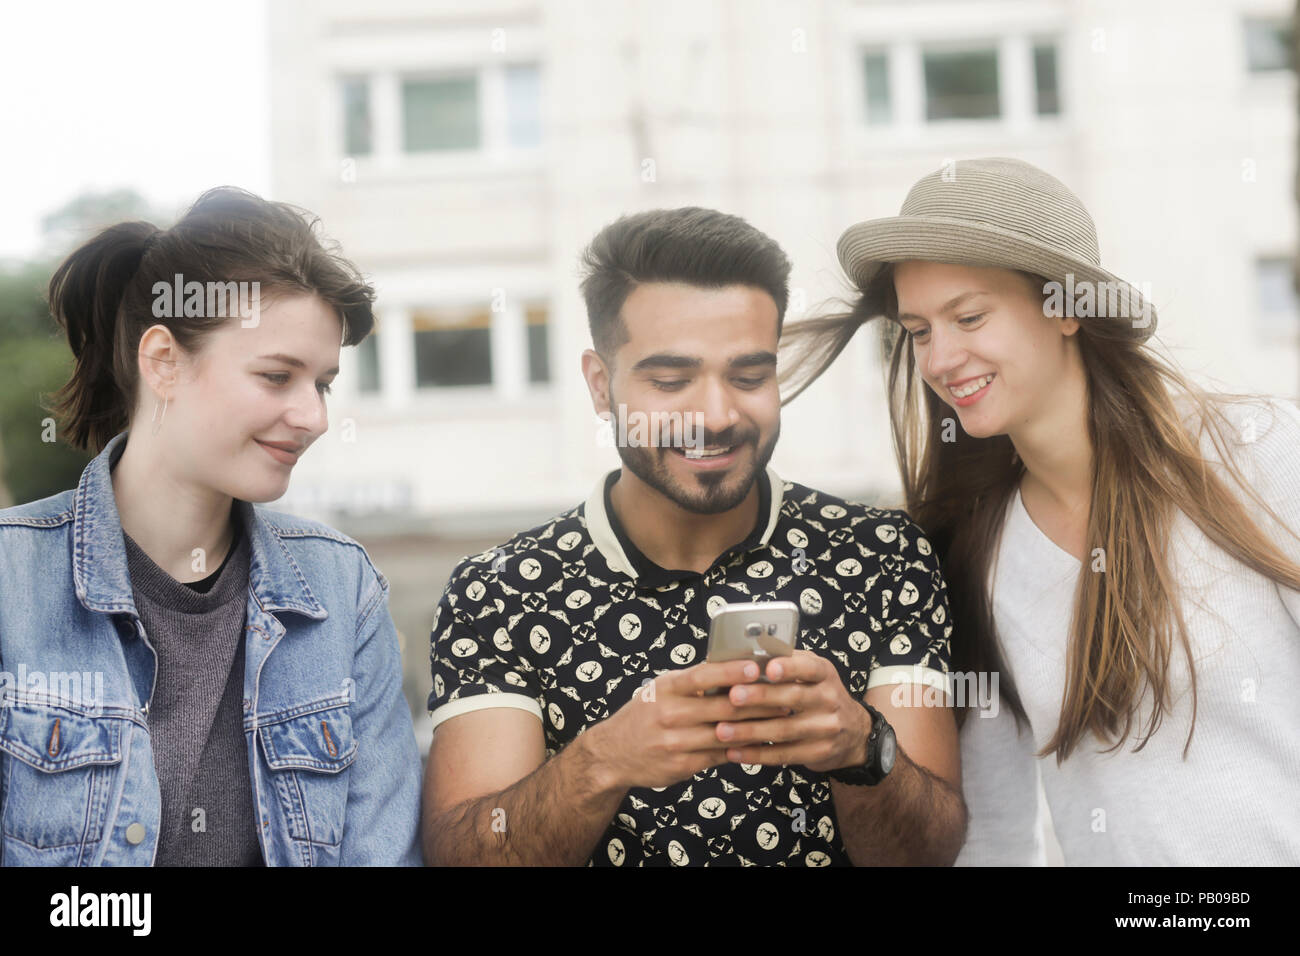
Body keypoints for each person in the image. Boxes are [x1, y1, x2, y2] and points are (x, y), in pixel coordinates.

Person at [779, 157, 1300, 865]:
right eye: (920, 330)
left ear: (1067, 309)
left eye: (968, 316)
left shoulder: (1263, 453)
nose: (940, 359)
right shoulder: (977, 551)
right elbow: (996, 832)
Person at [421, 207, 966, 866]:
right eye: (671, 380)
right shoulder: (500, 591)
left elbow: (929, 853)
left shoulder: (882, 556)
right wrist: (601, 762)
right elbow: (465, 856)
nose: (715, 415)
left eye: (748, 376)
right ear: (602, 386)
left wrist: (861, 748)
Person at [0, 187, 422, 866]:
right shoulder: (9, 580)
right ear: (163, 360)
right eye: (277, 376)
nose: (313, 417)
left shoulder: (342, 589)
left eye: (323, 384)